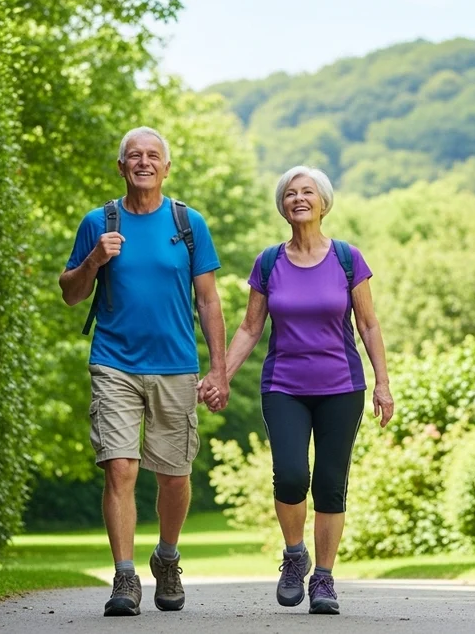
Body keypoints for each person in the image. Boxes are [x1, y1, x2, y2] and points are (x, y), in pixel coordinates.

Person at [206, 165, 394, 615]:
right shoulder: (269, 262)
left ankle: (324, 578)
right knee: (291, 475)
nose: (299, 199)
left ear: (323, 203)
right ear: (282, 206)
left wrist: (383, 383)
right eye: (290, 194)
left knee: (330, 482)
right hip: (284, 386)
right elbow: (250, 328)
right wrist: (221, 376)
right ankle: (295, 556)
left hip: (341, 387)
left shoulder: (347, 258)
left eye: (308, 192)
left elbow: (368, 324)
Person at [59, 126, 229, 617]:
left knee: (174, 475)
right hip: (114, 362)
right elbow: (70, 293)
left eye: (153, 155)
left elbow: (208, 301)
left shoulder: (188, 222)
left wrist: (218, 370)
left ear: (166, 167)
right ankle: (125, 575)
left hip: (176, 365)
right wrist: (94, 259)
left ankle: (167, 558)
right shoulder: (99, 222)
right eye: (134, 155)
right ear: (121, 167)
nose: (144, 162)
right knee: (120, 466)